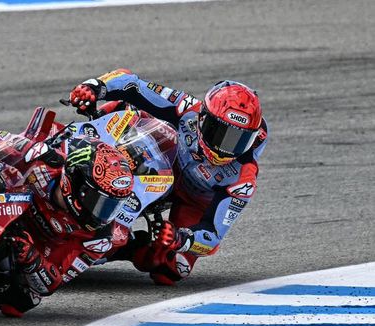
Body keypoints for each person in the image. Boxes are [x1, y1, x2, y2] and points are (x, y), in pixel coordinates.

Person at [0, 104, 135, 316]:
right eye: (100, 201)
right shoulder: (49, 160)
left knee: (21, 299)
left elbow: (53, 282)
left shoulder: (98, 238)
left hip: (13, 242)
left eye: (113, 205)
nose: (104, 213)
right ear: (75, 181)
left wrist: (33, 260)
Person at [68, 69, 269, 285]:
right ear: (204, 118)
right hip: (158, 161)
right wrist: (95, 87)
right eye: (220, 132)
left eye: (238, 140)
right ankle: (68, 142)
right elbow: (134, 85)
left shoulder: (244, 177)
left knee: (172, 268)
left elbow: (212, 237)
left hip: (194, 201)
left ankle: (130, 248)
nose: (224, 149)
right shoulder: (188, 108)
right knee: (127, 109)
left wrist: (181, 238)